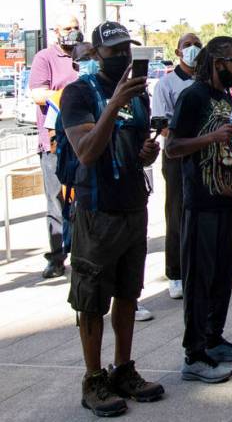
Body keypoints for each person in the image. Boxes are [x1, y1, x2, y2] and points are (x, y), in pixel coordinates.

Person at [60, 22, 164, 417]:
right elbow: (86, 151)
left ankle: (123, 368)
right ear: (96, 54)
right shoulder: (79, 92)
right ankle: (93, 378)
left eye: (128, 50)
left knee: (128, 292)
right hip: (96, 208)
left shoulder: (140, 96)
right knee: (91, 298)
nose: (123, 57)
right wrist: (114, 103)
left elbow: (134, 146)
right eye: (114, 50)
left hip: (132, 205)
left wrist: (146, 152)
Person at [167, 36, 232, 384]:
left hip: (224, 200)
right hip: (200, 202)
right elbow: (172, 146)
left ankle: (214, 339)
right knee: (199, 280)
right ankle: (194, 354)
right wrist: (211, 138)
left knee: (220, 278)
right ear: (218, 62)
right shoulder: (194, 95)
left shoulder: (223, 97)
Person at [150, 32, 202, 300]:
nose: (193, 49)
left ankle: (202, 270)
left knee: (205, 213)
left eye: (197, 44)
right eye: (187, 45)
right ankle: (176, 274)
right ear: (178, 51)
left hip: (206, 154)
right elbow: (162, 125)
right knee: (178, 213)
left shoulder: (206, 81)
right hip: (178, 157)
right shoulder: (166, 84)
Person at [29, 13, 80, 279]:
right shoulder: (44, 58)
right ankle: (57, 257)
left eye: (76, 27)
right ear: (56, 30)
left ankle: (83, 249)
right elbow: (38, 94)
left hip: (83, 138)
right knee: (56, 200)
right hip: (54, 143)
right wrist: (68, 95)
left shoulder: (85, 56)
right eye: (67, 28)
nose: (72, 32)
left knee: (82, 197)